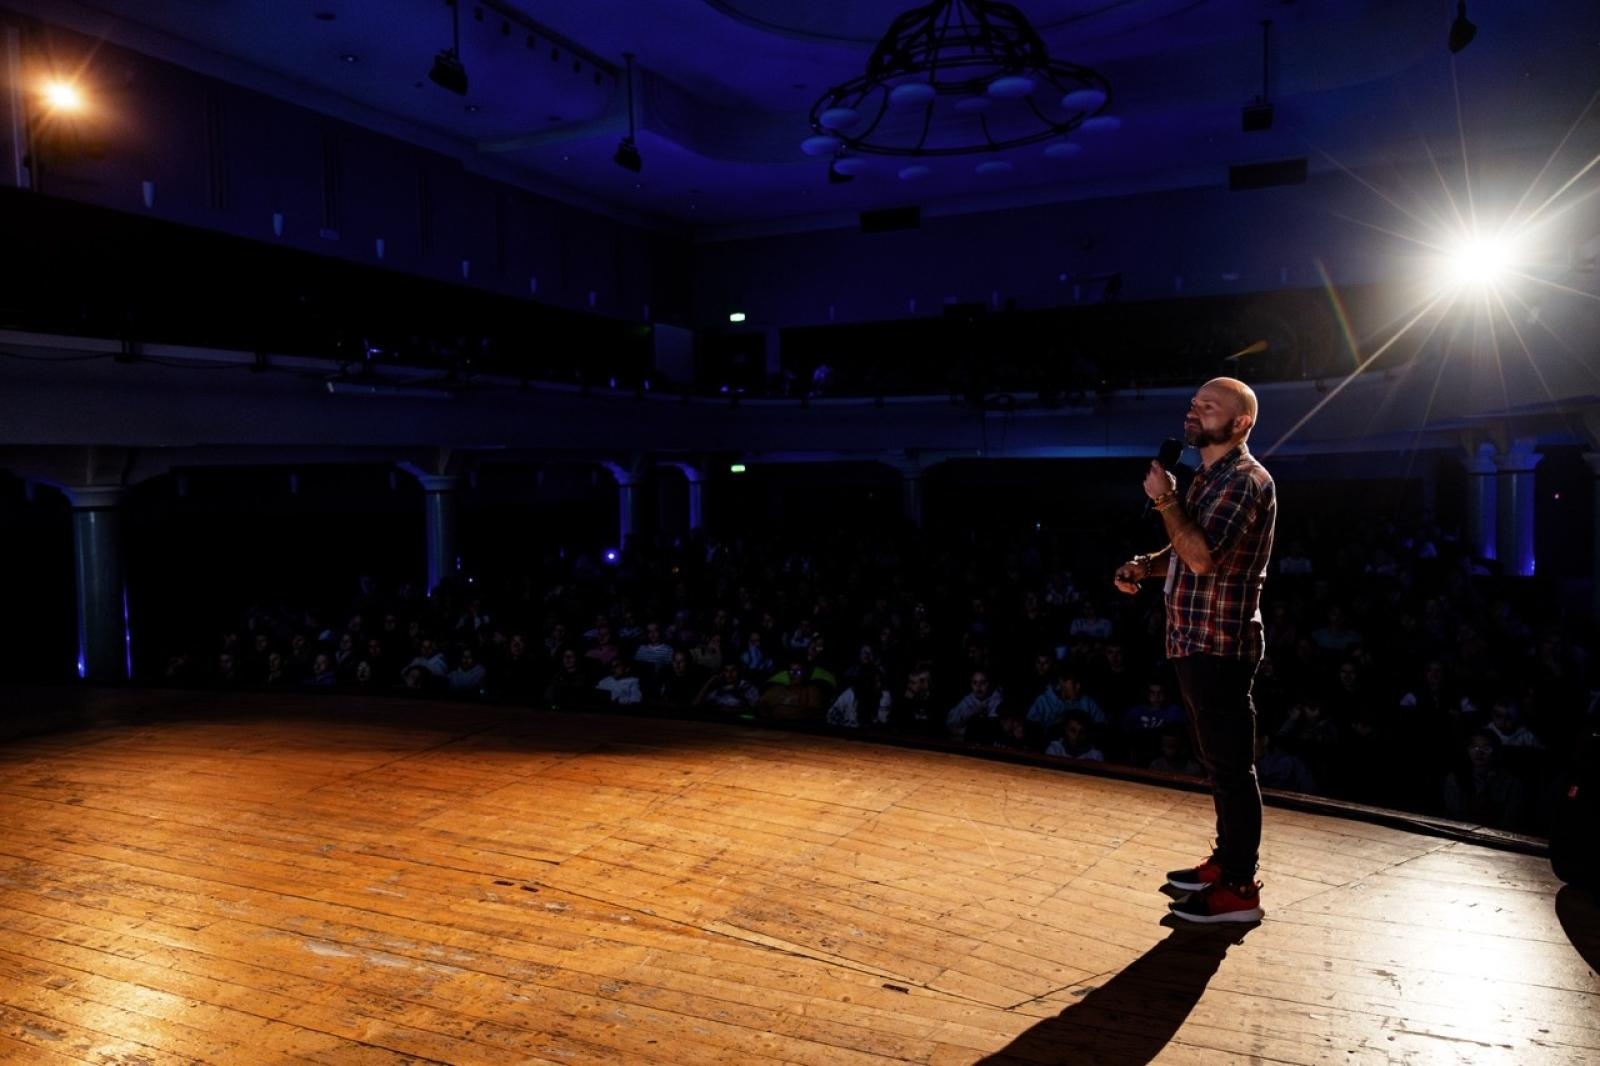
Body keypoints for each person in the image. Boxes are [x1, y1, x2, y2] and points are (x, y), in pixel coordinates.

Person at [1115, 377, 1275, 923]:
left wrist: (1164, 497)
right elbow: (1186, 548)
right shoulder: (1207, 476)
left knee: (1231, 768)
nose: (1194, 411)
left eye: (1209, 407)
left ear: (1240, 423)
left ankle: (1239, 889)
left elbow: (1205, 558)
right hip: (1191, 638)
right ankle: (1226, 861)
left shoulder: (1247, 480)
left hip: (1220, 643)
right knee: (1217, 763)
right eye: (1193, 404)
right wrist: (1147, 564)